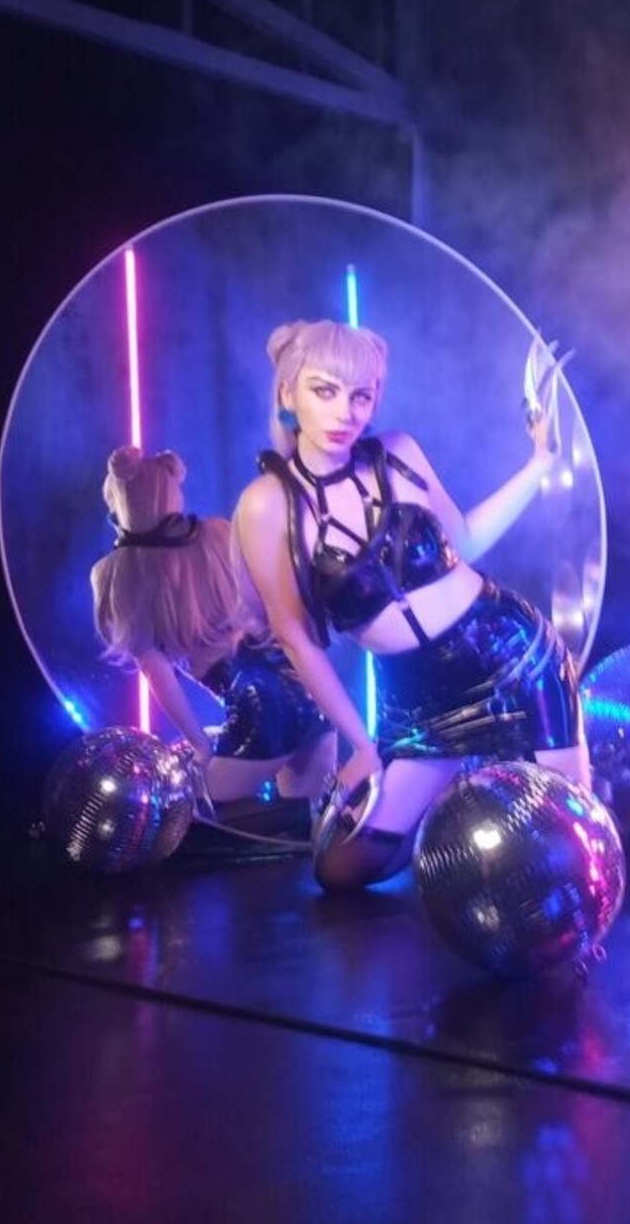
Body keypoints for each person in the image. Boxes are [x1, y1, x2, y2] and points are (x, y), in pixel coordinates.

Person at [233, 320, 589, 888]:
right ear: (287, 393)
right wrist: (361, 746)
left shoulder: (398, 453)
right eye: (325, 391)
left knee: (574, 842)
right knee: (343, 868)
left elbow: (464, 540)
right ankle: (462, 801)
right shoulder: (267, 504)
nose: (345, 412)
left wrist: (538, 466)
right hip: (416, 698)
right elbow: (296, 638)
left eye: (361, 396)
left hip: (507, 652)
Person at [91, 444, 335, 806]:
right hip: (310, 689)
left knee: (174, 814)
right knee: (307, 827)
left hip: (261, 703)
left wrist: (200, 744)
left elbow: (157, 673)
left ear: (118, 505)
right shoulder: (219, 534)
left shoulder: (117, 576)